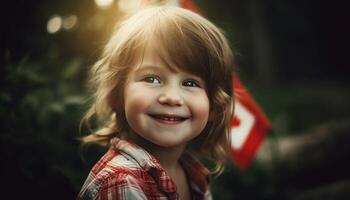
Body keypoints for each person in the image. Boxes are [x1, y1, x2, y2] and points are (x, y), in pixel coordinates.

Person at [77, 6, 234, 200]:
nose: (171, 97)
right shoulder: (121, 182)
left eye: (190, 83)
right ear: (117, 95)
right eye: (152, 79)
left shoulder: (193, 175)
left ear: (214, 107)